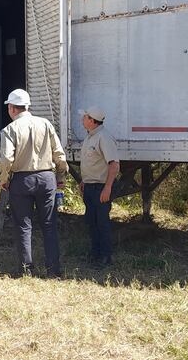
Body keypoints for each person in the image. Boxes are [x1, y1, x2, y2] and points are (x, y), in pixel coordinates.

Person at [0, 89, 68, 278]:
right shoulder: (45, 124)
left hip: (22, 180)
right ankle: (53, 270)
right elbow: (59, 153)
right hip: (46, 178)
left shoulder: (9, 130)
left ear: (12, 108)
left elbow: (6, 159)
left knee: (23, 225)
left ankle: (26, 270)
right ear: (27, 106)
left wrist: (4, 180)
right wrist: (60, 176)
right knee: (49, 224)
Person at [79, 107, 120, 266]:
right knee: (91, 221)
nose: (83, 118)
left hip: (101, 187)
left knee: (102, 222)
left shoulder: (104, 137)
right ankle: (95, 253)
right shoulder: (90, 137)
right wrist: (85, 180)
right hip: (90, 186)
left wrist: (108, 188)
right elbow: (92, 162)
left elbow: (114, 165)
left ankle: (106, 256)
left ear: (92, 120)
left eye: (85, 116)